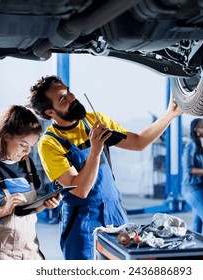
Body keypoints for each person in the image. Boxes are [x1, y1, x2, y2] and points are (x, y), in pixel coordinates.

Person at [26, 75, 183, 260]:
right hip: (82, 220)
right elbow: (80, 189)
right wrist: (95, 149)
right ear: (49, 112)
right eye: (62, 98)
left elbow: (138, 142)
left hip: (114, 210)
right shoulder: (49, 143)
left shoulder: (94, 120)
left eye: (68, 91)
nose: (72, 97)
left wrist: (170, 114)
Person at [0, 105, 62, 260]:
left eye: (31, 147)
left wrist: (44, 204)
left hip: (30, 252)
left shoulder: (26, 165)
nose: (27, 152)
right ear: (6, 136)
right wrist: (3, 210)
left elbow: (25, 212)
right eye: (23, 145)